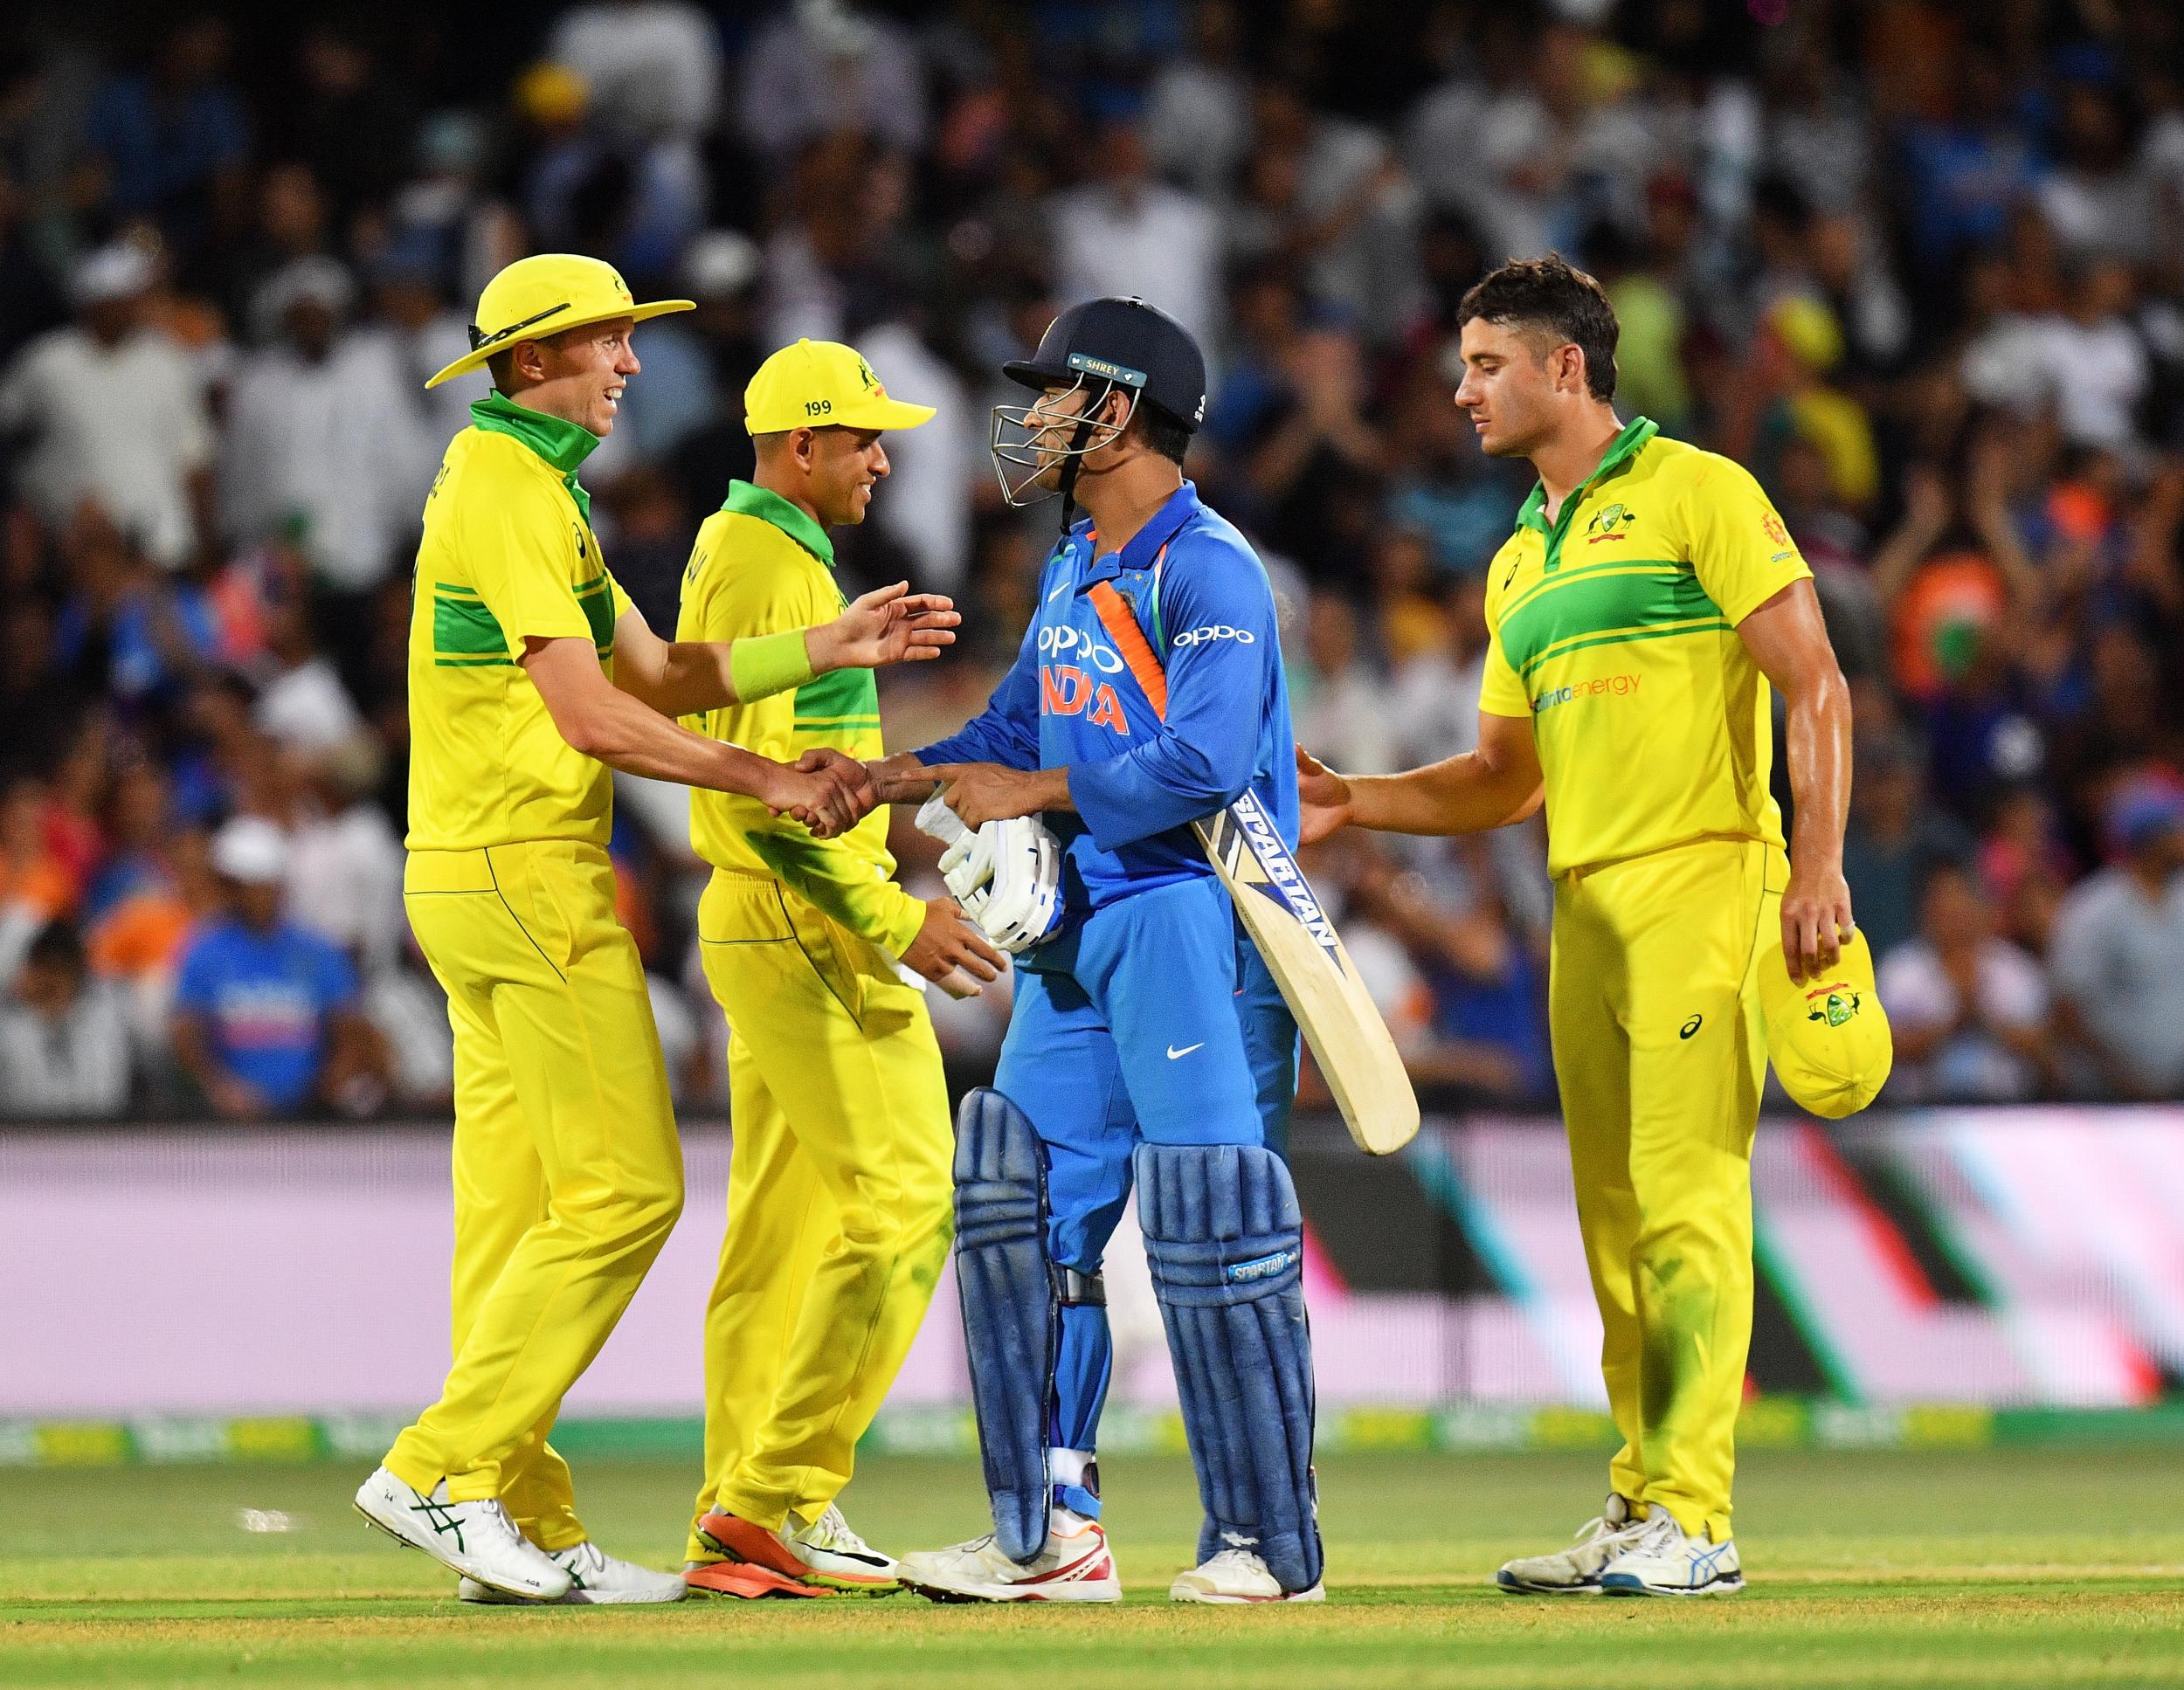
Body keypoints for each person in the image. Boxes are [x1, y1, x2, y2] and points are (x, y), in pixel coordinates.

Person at [350, 252, 953, 1606]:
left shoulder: (532, 489)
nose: (629, 364)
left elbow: (663, 673)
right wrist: (768, 774)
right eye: (604, 343)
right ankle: (442, 1468)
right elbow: (596, 719)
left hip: (462, 871)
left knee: (515, 1213)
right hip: (523, 870)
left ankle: (510, 1503)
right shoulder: (511, 492)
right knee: (631, 1191)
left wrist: (827, 646)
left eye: (626, 342)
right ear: (526, 366)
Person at [1296, 257, 1856, 1597]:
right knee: (1613, 1223)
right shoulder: (1515, 562)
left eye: (1486, 363)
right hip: (1584, 907)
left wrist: (1817, 863)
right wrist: (1357, 800)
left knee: (1685, 1202)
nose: (1460, 388)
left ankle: (1700, 1520)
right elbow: (1504, 777)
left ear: (1565, 368)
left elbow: (1815, 683)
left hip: (1705, 883)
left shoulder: (1700, 492)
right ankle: (1639, 1492)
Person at [874, 296, 1324, 1604]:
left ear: (1117, 408)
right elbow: (1017, 725)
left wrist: (1035, 792)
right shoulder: (1077, 560)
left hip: (1198, 918)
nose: (1036, 419)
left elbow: (1206, 759)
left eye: (1057, 395)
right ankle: (1052, 1527)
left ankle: (1263, 1540)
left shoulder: (1212, 568)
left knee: (1211, 1223)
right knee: (1026, 1209)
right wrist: (889, 773)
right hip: (1083, 922)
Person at [674, 339, 991, 1598]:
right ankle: (777, 1493)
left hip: (768, 921)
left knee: (779, 1234)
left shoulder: (752, 548)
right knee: (907, 1205)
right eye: (862, 436)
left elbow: (792, 768)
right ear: (799, 446)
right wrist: (889, 912)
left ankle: (736, 1507)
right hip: (808, 921)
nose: (883, 456)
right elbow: (765, 801)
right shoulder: (767, 561)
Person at [169, 817, 377, 1119]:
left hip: (310, 1117)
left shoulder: (316, 949)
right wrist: (220, 1088)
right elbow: (185, 1033)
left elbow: (350, 1029)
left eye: (266, 883)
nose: (259, 893)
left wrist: (324, 1091)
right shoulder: (204, 950)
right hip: (229, 1122)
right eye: (247, 885)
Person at [2049, 783, 2184, 1099]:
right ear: (2151, 840)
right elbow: (2068, 1009)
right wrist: (2124, 1079)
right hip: (2109, 1095)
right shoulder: (2093, 909)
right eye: (2176, 830)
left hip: (2178, 1092)